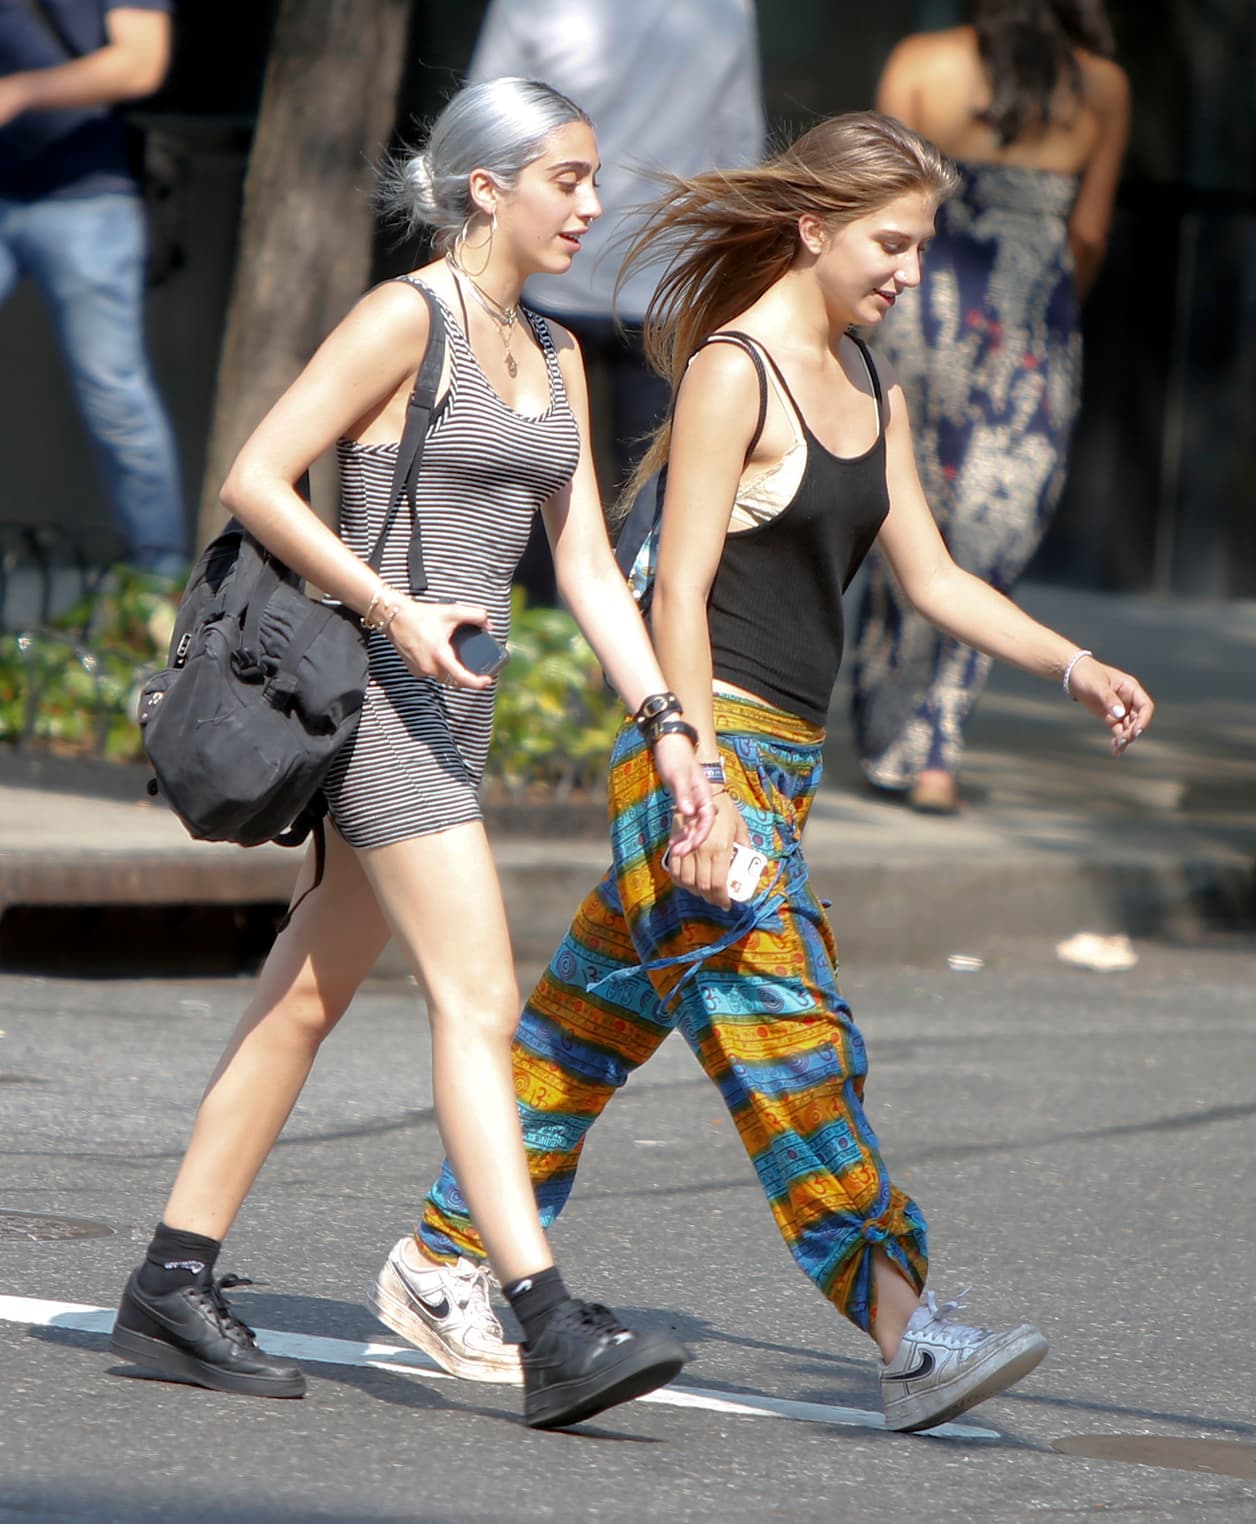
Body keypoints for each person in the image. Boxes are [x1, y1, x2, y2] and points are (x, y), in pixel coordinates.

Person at [363, 108, 1155, 1436]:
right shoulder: (736, 371)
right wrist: (701, 779)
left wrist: (1072, 665)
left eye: (921, 246)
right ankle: (907, 1333)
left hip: (777, 767)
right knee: (794, 1045)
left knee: (577, 1039)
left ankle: (442, 1259)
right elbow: (676, 590)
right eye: (891, 244)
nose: (911, 271)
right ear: (814, 229)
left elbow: (933, 577)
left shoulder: (868, 384)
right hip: (698, 756)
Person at [107, 76, 717, 1432]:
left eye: (594, 178)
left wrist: (667, 722)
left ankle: (170, 1279)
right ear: (488, 187)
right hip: (382, 698)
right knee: (479, 996)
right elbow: (257, 475)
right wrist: (393, 609)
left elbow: (584, 567)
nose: (592, 204)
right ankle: (546, 1321)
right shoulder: (408, 318)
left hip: (457, 711)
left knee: (306, 998)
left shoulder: (555, 353)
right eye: (567, 179)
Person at [849, 0, 1131, 815]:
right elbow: (1089, 233)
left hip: (920, 317)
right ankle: (937, 750)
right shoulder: (1103, 86)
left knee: (905, 517)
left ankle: (886, 720)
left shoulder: (918, 61)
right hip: (1030, 332)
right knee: (988, 542)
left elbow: (876, 204)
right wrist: (1050, 313)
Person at [468, 0, 766, 601]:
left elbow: (486, 123)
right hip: (652, 281)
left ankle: (523, 643)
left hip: (588, 280)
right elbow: (740, 147)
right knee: (648, 506)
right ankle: (624, 647)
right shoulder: (729, 8)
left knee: (532, 493)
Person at [0, 0, 187, 577]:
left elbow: (141, 62)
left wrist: (19, 92)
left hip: (86, 196)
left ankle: (159, 592)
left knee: (115, 399)